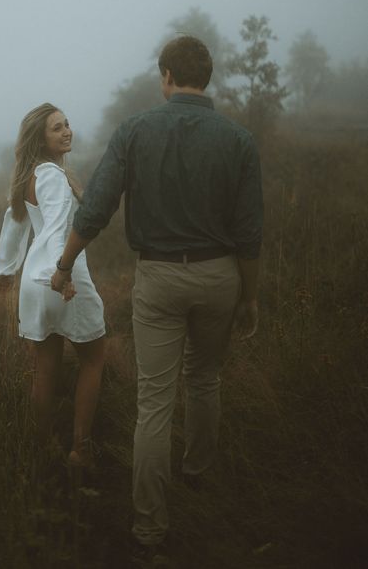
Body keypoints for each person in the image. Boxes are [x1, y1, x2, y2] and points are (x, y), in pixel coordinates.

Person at [51, 36, 263, 557]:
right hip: (220, 278)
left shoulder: (135, 131)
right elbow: (249, 231)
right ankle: (196, 474)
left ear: (166, 75)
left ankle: (149, 530)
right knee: (206, 378)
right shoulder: (239, 140)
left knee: (154, 401)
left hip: (160, 280)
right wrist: (249, 296)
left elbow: (95, 207)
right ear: (205, 77)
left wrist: (62, 262)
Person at [0, 103, 105, 470]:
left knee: (46, 366)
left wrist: (6, 270)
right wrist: (64, 272)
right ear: (40, 139)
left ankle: (41, 450)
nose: (67, 131)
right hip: (61, 277)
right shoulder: (53, 177)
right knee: (93, 358)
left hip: (34, 283)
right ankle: (80, 449)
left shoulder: (30, 176)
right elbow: (59, 226)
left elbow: (15, 223)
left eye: (67, 124)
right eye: (57, 128)